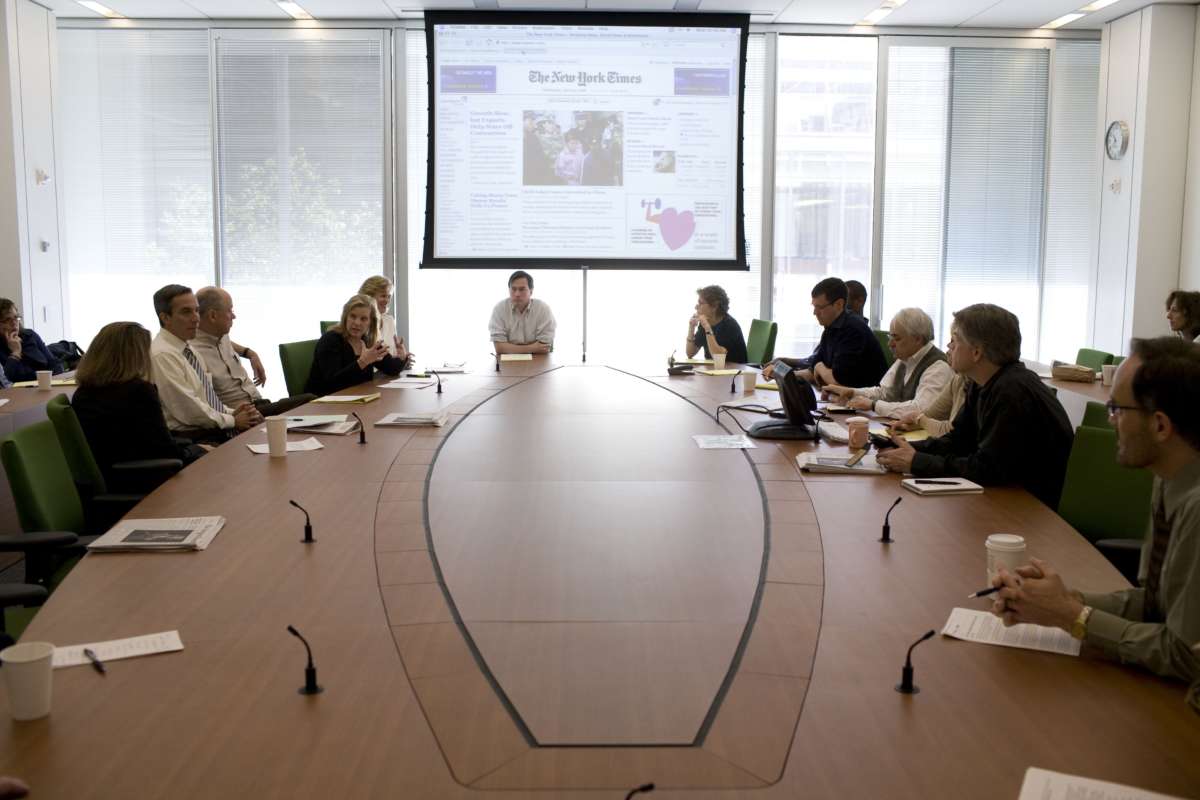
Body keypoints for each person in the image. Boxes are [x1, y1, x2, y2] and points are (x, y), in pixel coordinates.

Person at [991, 337, 1200, 682]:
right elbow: (1155, 605)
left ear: (1161, 425)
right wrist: (1059, 601)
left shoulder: (1195, 505)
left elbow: (1185, 653)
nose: (1110, 419)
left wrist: (1075, 617)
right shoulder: (1168, 478)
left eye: (1117, 409)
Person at [876, 303, 1073, 508]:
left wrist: (917, 462)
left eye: (956, 340)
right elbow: (959, 440)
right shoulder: (981, 383)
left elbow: (987, 469)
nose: (949, 347)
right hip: (1004, 494)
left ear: (977, 352)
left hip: (1031, 507)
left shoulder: (1012, 391)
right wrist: (901, 448)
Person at [72, 322, 206, 492]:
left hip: (113, 475)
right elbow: (165, 450)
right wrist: (197, 449)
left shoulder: (83, 393)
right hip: (143, 478)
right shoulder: (138, 391)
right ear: (136, 355)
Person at [149, 284, 262, 442]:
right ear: (165, 318)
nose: (196, 318)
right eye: (186, 312)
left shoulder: (187, 349)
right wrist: (233, 420)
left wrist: (232, 412)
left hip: (209, 428)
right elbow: (189, 411)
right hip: (191, 437)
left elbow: (206, 401)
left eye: (196, 310)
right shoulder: (163, 355)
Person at [191, 287, 314, 417]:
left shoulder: (219, 334)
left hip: (261, 403)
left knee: (312, 404)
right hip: (243, 414)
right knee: (310, 401)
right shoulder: (193, 353)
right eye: (230, 310)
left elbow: (225, 343)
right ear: (213, 316)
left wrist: (250, 354)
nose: (234, 316)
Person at [823, 307, 951, 419]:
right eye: (891, 337)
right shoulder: (905, 358)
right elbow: (884, 393)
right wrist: (852, 392)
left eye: (897, 338)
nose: (890, 344)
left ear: (917, 339)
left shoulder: (938, 366)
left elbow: (921, 409)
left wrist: (873, 405)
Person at [762, 277, 887, 388]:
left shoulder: (853, 330)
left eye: (820, 307)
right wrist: (779, 371)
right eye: (814, 306)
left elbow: (836, 382)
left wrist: (819, 367)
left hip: (867, 407)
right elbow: (811, 373)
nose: (815, 312)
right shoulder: (831, 327)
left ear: (839, 304)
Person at [306, 294, 410, 395]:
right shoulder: (330, 340)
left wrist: (402, 357)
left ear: (371, 323)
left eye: (363, 319)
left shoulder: (368, 341)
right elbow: (333, 383)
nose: (357, 323)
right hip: (323, 403)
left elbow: (392, 369)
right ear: (345, 317)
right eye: (353, 316)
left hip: (357, 399)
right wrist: (363, 362)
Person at [489, 270, 556, 355]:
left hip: (538, 359)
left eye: (522, 289)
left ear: (531, 291)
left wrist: (510, 347)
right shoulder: (499, 309)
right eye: (513, 289)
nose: (517, 294)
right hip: (508, 361)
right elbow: (499, 348)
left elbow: (544, 347)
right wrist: (533, 347)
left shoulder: (543, 309)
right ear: (509, 290)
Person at [0, 298, 62, 383]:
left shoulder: (29, 335)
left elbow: (53, 362)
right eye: (7, 320)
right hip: (20, 393)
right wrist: (16, 353)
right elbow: (6, 380)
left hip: (46, 385)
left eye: (16, 317)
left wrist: (56, 381)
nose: (14, 323)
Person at [891, 373, 970, 437]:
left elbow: (952, 432)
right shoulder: (959, 379)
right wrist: (914, 424)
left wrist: (917, 418)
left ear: (976, 353)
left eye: (954, 351)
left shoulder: (939, 366)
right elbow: (931, 414)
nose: (948, 352)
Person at [686, 285, 747, 364]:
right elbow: (690, 353)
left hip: (734, 373)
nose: (696, 307)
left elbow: (718, 357)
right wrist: (691, 328)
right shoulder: (705, 324)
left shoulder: (730, 325)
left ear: (714, 306)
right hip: (714, 371)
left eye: (701, 303)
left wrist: (707, 328)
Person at [358, 275, 408, 357]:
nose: (387, 301)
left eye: (389, 296)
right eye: (383, 296)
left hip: (387, 369)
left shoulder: (389, 320)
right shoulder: (361, 323)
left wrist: (402, 358)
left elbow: (392, 354)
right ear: (369, 297)